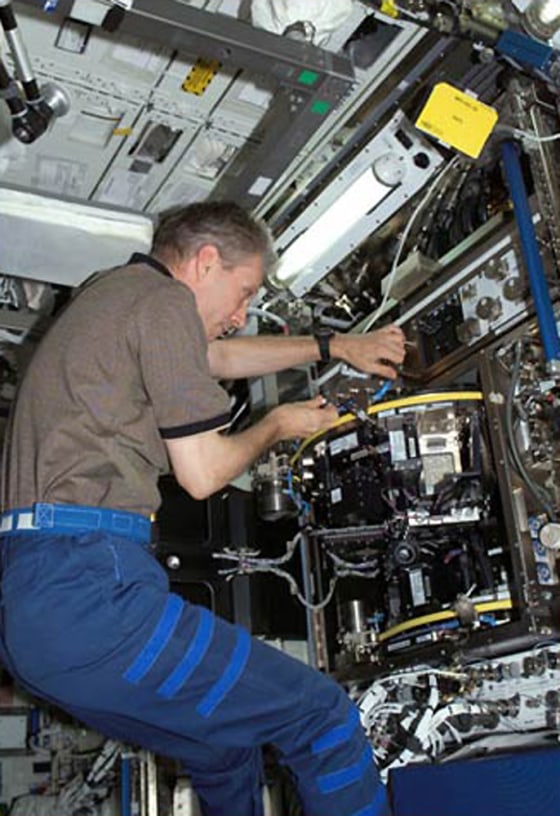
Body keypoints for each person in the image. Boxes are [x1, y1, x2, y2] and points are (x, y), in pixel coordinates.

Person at [0, 201, 405, 816]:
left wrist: (335, 345)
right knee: (321, 715)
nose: (241, 315)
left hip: (31, 618)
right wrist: (277, 424)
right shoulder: (162, 303)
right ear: (205, 261)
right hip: (87, 590)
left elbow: (218, 358)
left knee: (222, 746)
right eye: (242, 293)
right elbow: (203, 474)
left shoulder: (114, 295)